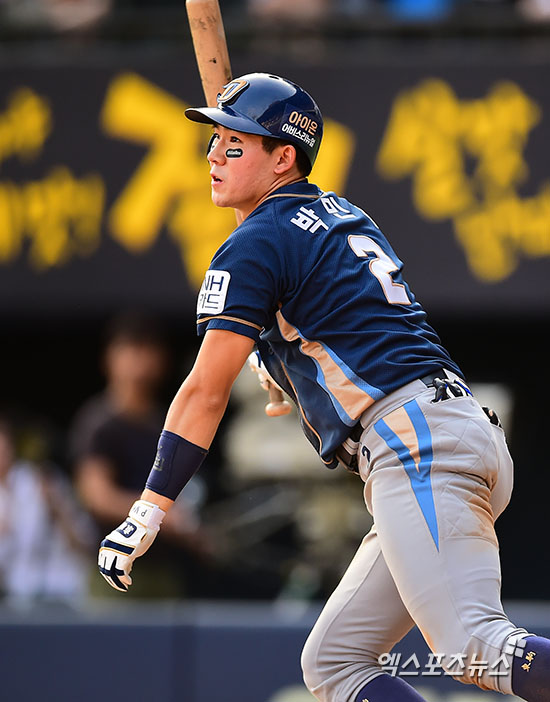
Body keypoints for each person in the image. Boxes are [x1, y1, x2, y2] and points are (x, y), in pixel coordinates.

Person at [97, 73, 550, 700]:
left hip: (415, 444)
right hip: (447, 429)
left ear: (284, 157)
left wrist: (149, 508)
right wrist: (279, 355)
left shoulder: (255, 242)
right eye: (215, 141)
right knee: (336, 662)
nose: (213, 156)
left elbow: (204, 392)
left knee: (474, 645)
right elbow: (339, 327)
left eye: (234, 144)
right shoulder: (338, 213)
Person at [71, 312, 210, 597]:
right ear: (110, 357)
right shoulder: (98, 423)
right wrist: (159, 516)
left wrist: (189, 530)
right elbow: (97, 496)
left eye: (147, 349)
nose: (139, 361)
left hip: (165, 569)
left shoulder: (166, 421)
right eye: (131, 349)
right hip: (112, 567)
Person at [0, 419, 93, 601]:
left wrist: (55, 506)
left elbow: (84, 541)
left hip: (63, 587)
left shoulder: (41, 480)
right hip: (17, 593)